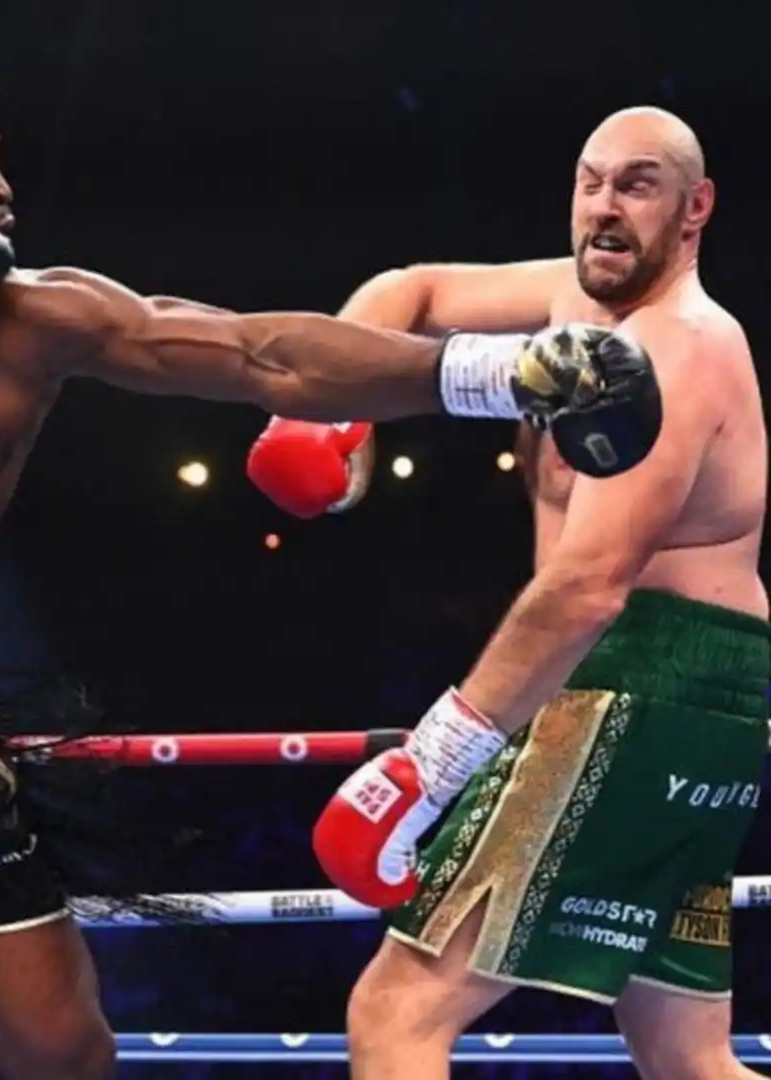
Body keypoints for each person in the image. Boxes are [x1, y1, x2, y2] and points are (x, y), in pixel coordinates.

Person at [0, 45, 661, 1080]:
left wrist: (500, 371)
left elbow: (258, 353)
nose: (3, 188)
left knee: (66, 1051)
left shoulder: (35, 315)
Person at [249, 106, 769, 1080]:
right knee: (687, 1055)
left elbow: (589, 584)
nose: (605, 207)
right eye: (591, 181)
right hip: (698, 700)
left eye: (638, 185)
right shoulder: (574, 304)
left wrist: (427, 767)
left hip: (631, 679)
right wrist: (331, 417)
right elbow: (413, 290)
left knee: (397, 1012)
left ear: (695, 207)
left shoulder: (677, 348)